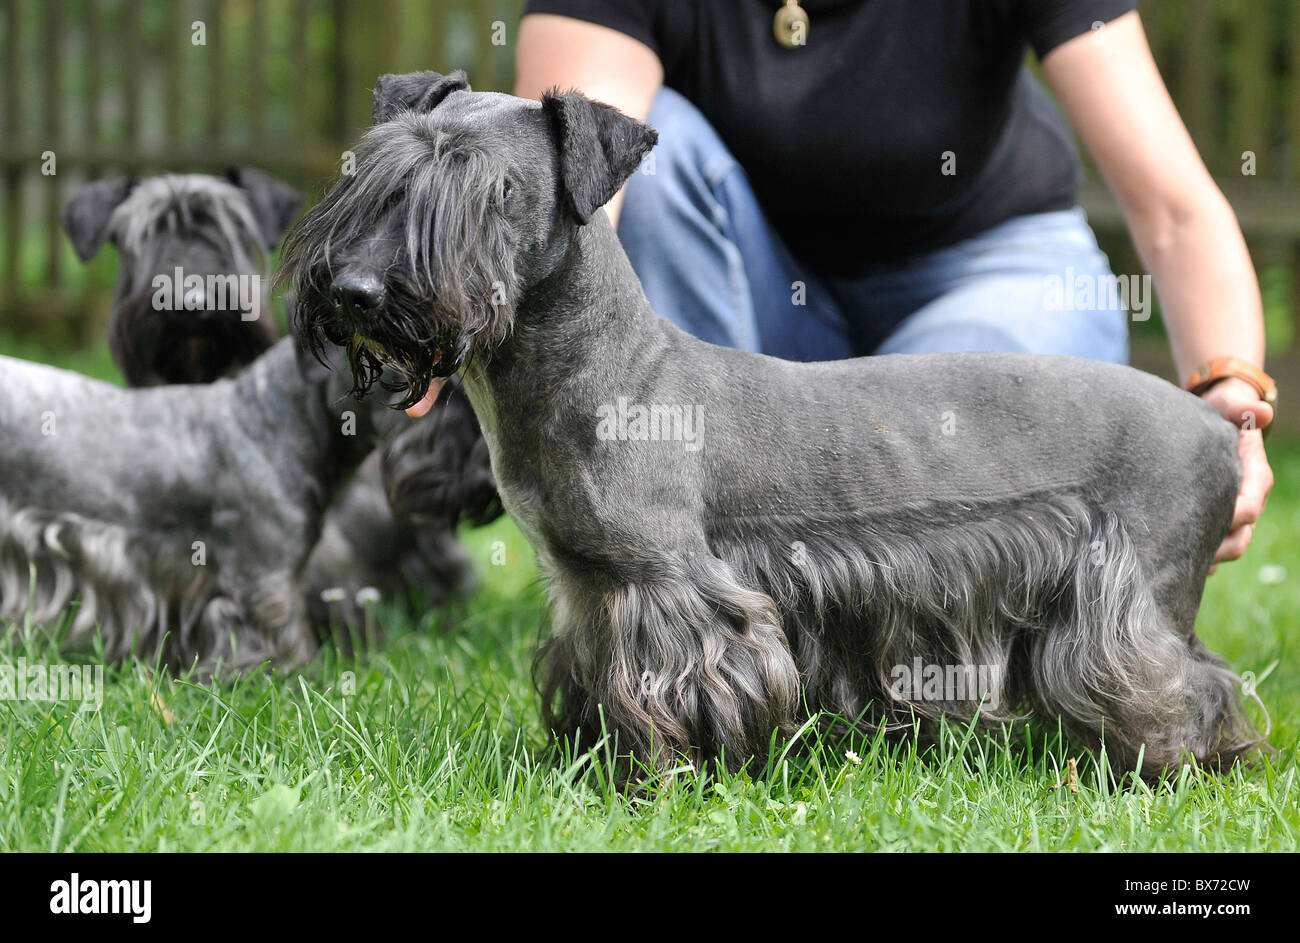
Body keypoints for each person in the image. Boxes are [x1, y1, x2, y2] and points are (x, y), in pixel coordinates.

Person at [513, 0, 1274, 566]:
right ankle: (685, 556)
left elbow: (1174, 211)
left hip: (985, 276)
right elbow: (569, 192)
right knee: (646, 149)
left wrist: (1229, 392)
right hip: (751, 304)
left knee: (937, 466)